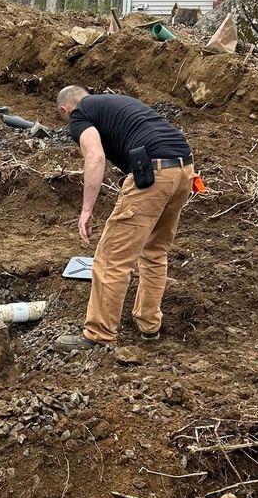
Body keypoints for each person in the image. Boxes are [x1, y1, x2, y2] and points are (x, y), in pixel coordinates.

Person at [54, 86, 194, 352]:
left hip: (153, 171)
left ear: (65, 110)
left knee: (111, 258)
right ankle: (149, 325)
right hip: (184, 168)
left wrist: (86, 210)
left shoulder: (79, 115)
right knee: (154, 251)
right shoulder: (114, 103)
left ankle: (98, 334)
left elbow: (95, 156)